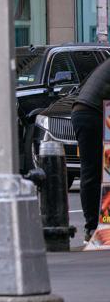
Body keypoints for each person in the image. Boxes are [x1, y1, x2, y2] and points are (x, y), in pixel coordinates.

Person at [72, 56, 110, 241]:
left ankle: (95, 226)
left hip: (85, 111)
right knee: (94, 172)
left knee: (94, 172)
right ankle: (93, 227)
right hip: (92, 114)